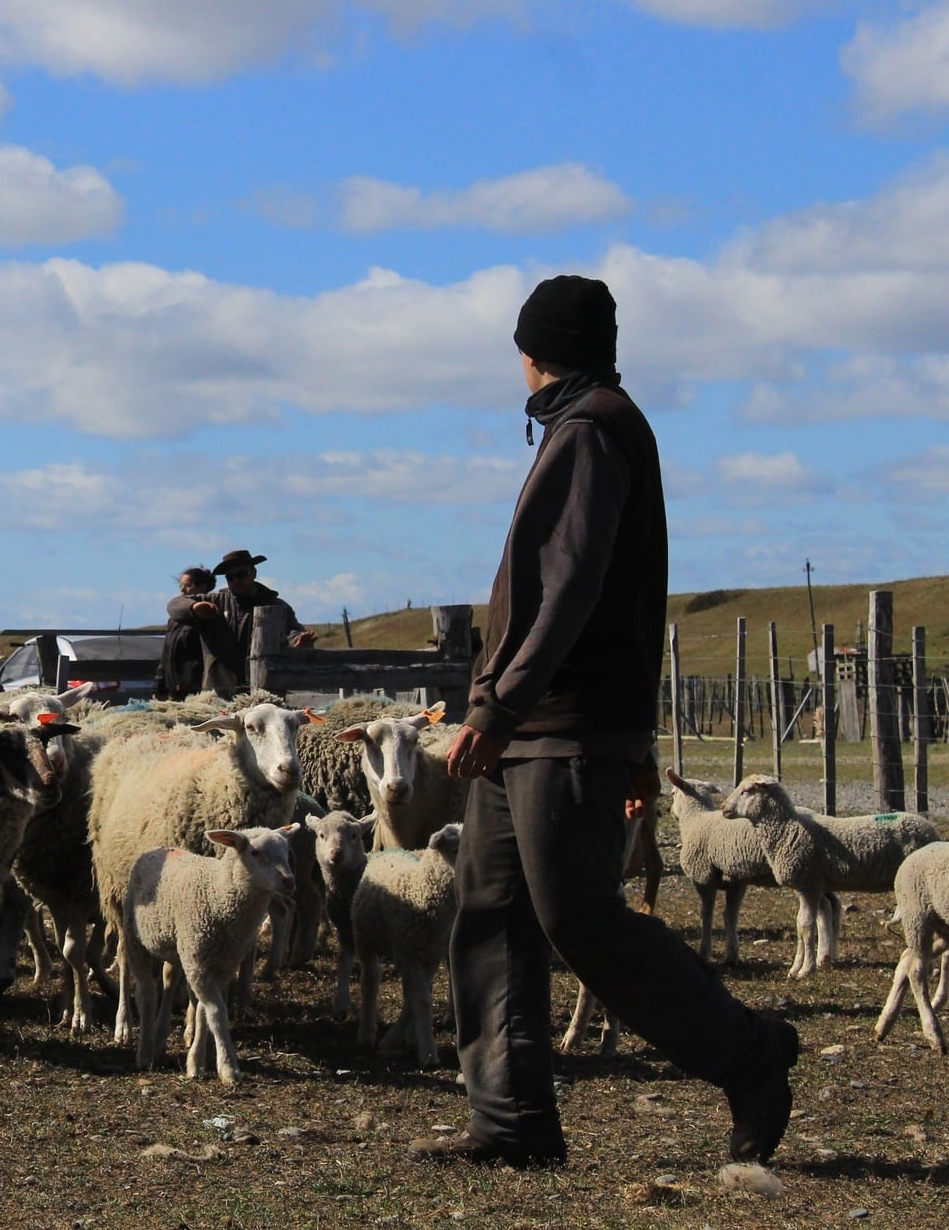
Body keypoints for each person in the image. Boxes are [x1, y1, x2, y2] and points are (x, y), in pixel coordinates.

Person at [409, 275, 798, 1170]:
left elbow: (576, 586)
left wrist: (498, 706)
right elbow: (624, 594)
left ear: (537, 348)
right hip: (548, 723)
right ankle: (511, 1122)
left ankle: (749, 1052)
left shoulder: (588, 434)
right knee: (494, 912)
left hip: (555, 725)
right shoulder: (594, 427)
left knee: (576, 914)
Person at [168, 549, 317, 696]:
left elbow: (292, 633)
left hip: (264, 690)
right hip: (219, 692)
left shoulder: (277, 606)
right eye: (230, 577)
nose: (236, 581)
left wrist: (299, 644)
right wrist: (194, 608)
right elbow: (174, 605)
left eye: (241, 575)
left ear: (253, 573)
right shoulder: (216, 601)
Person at [157, 566, 217, 700]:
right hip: (173, 687)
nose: (182, 590)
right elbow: (167, 652)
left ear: (203, 586)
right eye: (181, 585)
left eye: (188, 585)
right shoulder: (175, 618)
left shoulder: (210, 614)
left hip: (196, 688)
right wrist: (159, 685)